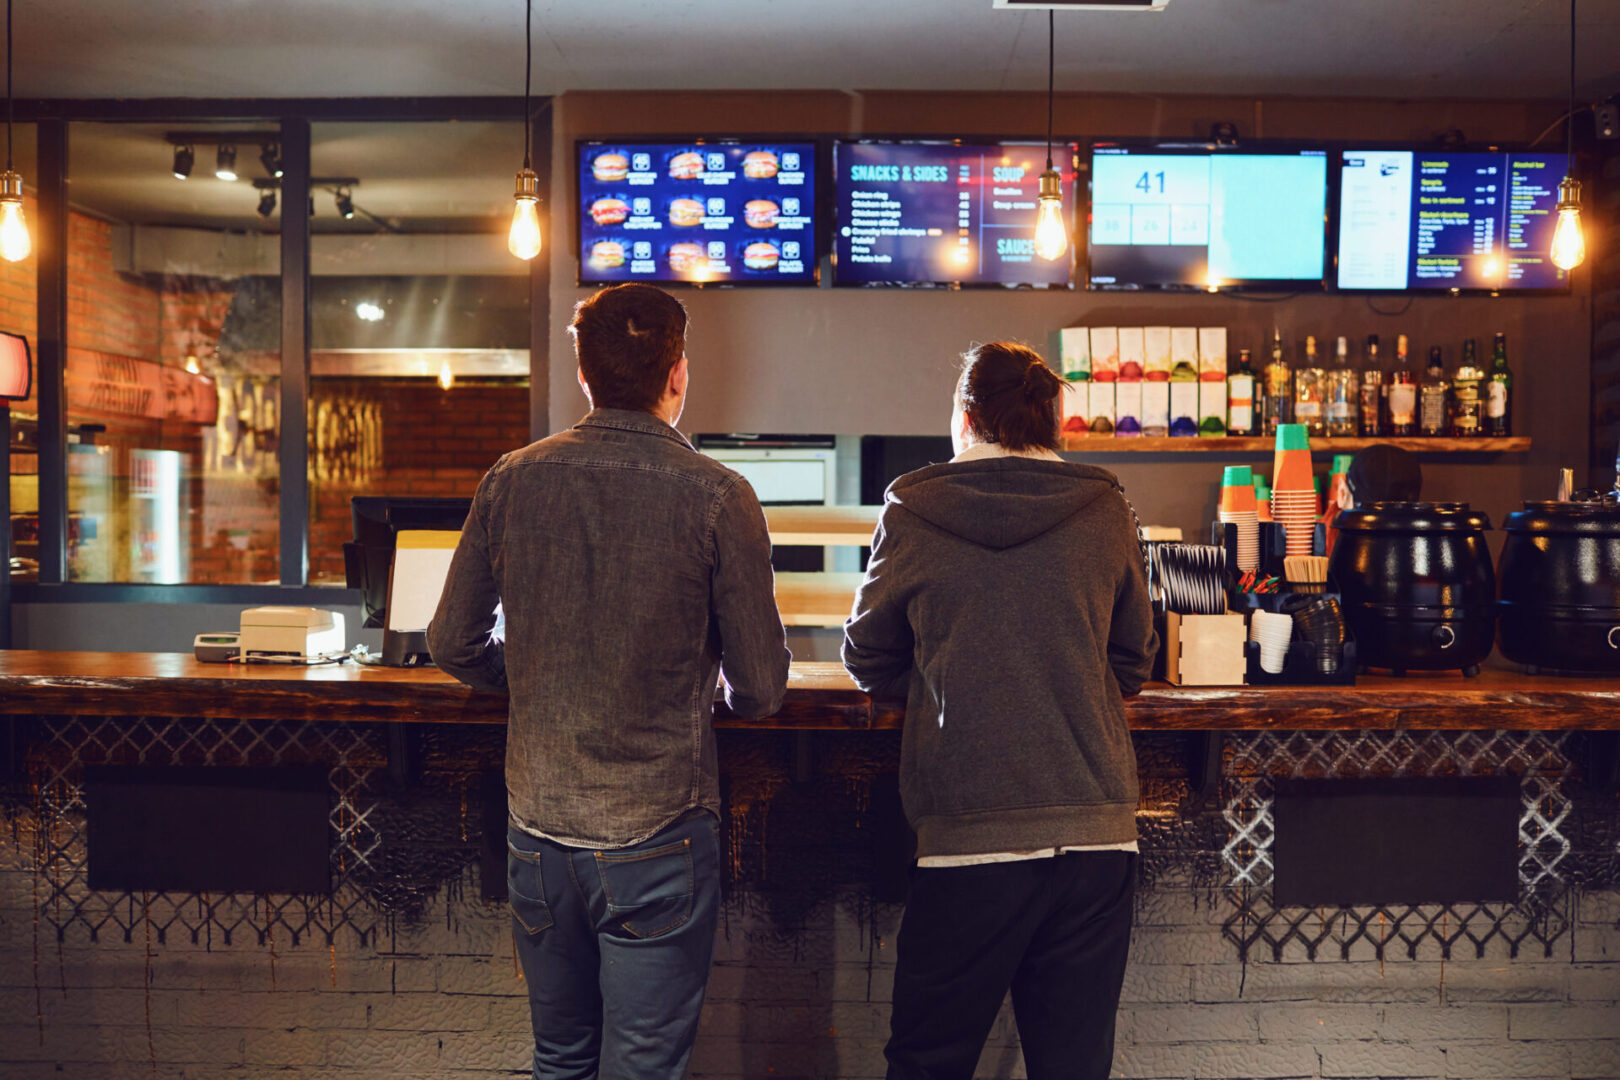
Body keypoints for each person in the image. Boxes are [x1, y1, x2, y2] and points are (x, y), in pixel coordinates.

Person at [427, 282, 790, 1080]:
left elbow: (450, 642)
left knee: (561, 1059)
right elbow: (762, 689)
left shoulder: (512, 478)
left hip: (539, 829)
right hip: (659, 831)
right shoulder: (719, 495)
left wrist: (527, 676)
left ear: (584, 374)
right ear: (678, 374)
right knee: (642, 1068)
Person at [842, 341, 1157, 1080]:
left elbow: (866, 657)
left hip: (967, 835)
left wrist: (951, 671)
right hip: (1094, 835)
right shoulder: (1106, 509)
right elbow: (1133, 662)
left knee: (928, 1063)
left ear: (965, 418)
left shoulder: (914, 509)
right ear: (1054, 421)